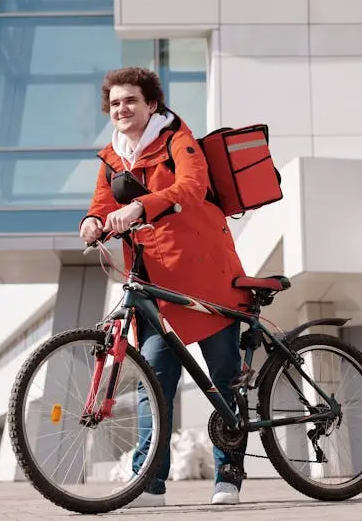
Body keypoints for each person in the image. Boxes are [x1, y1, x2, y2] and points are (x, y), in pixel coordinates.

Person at [80, 67, 251, 507]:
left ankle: (228, 474)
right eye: (115, 103)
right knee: (153, 385)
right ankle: (149, 484)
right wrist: (92, 221)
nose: (122, 109)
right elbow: (102, 203)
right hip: (154, 285)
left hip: (206, 277)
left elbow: (192, 187)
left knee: (224, 381)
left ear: (151, 104)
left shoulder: (177, 139)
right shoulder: (110, 158)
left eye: (131, 101)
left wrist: (139, 207)